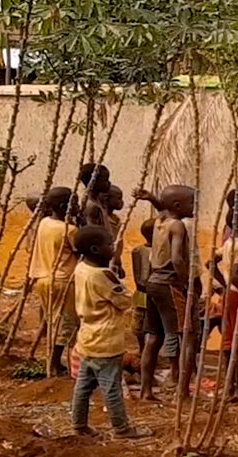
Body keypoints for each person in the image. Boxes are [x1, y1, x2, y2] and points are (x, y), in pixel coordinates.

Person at [68, 225, 151, 439]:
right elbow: (124, 301)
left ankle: (79, 425)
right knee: (111, 388)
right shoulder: (103, 275)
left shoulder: (80, 268)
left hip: (87, 339)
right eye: (109, 244)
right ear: (96, 249)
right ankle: (122, 428)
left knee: (83, 387)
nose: (113, 248)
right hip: (106, 341)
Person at [145, 185, 197, 399]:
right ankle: (183, 391)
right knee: (188, 335)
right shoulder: (177, 226)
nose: (194, 207)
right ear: (177, 206)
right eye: (191, 203)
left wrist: (152, 199)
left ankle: (146, 390)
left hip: (153, 282)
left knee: (153, 336)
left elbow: (163, 208)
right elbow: (176, 257)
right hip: (170, 283)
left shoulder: (160, 222)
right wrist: (186, 282)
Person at [27, 187, 80, 379]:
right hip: (63, 280)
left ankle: (54, 361)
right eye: (75, 203)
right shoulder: (70, 230)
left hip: (42, 278)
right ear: (63, 206)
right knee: (66, 323)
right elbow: (79, 251)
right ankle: (55, 363)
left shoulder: (44, 223)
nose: (78, 207)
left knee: (52, 319)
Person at [206, 212, 238, 395]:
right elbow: (236, 274)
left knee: (229, 340)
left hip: (229, 294)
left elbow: (210, 263)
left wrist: (224, 283)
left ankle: (229, 384)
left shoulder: (230, 243)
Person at [130, 219, 163, 401]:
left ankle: (145, 369)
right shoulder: (140, 251)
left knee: (149, 335)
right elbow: (139, 279)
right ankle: (143, 370)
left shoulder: (157, 251)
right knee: (143, 333)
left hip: (150, 294)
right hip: (145, 296)